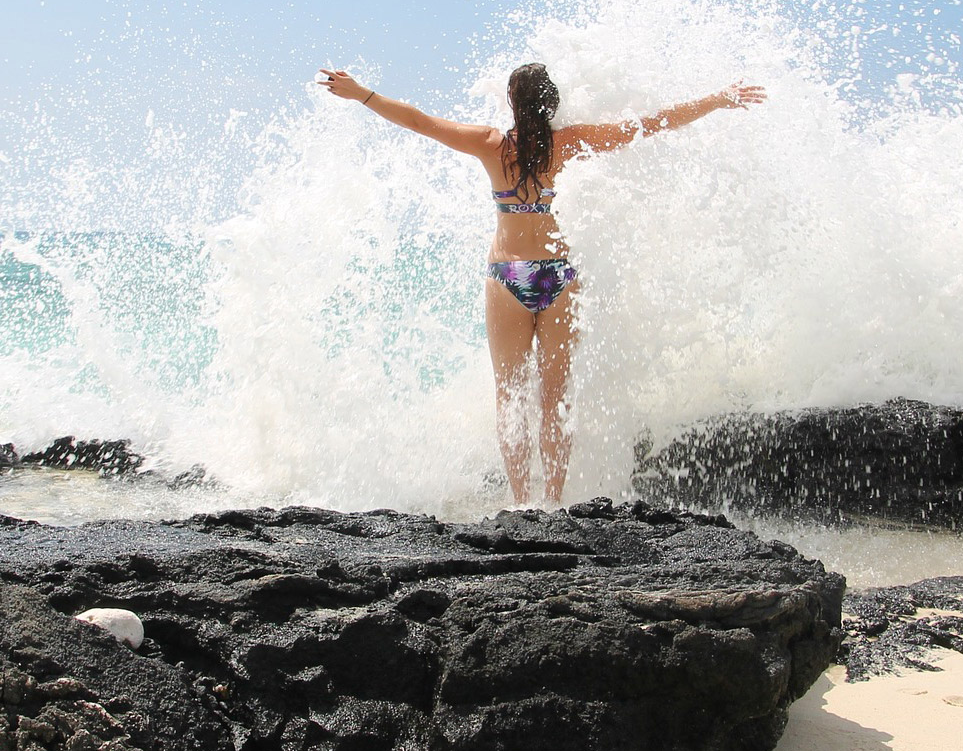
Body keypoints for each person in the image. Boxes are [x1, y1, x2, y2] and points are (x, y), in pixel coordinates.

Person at [318, 63, 766, 506]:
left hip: (508, 276)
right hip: (558, 276)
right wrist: (717, 99)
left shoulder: (490, 144)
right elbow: (648, 125)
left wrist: (361, 94)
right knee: (555, 399)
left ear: (512, 102)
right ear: (550, 101)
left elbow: (419, 121)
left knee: (511, 397)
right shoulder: (569, 143)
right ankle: (552, 501)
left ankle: (520, 503)